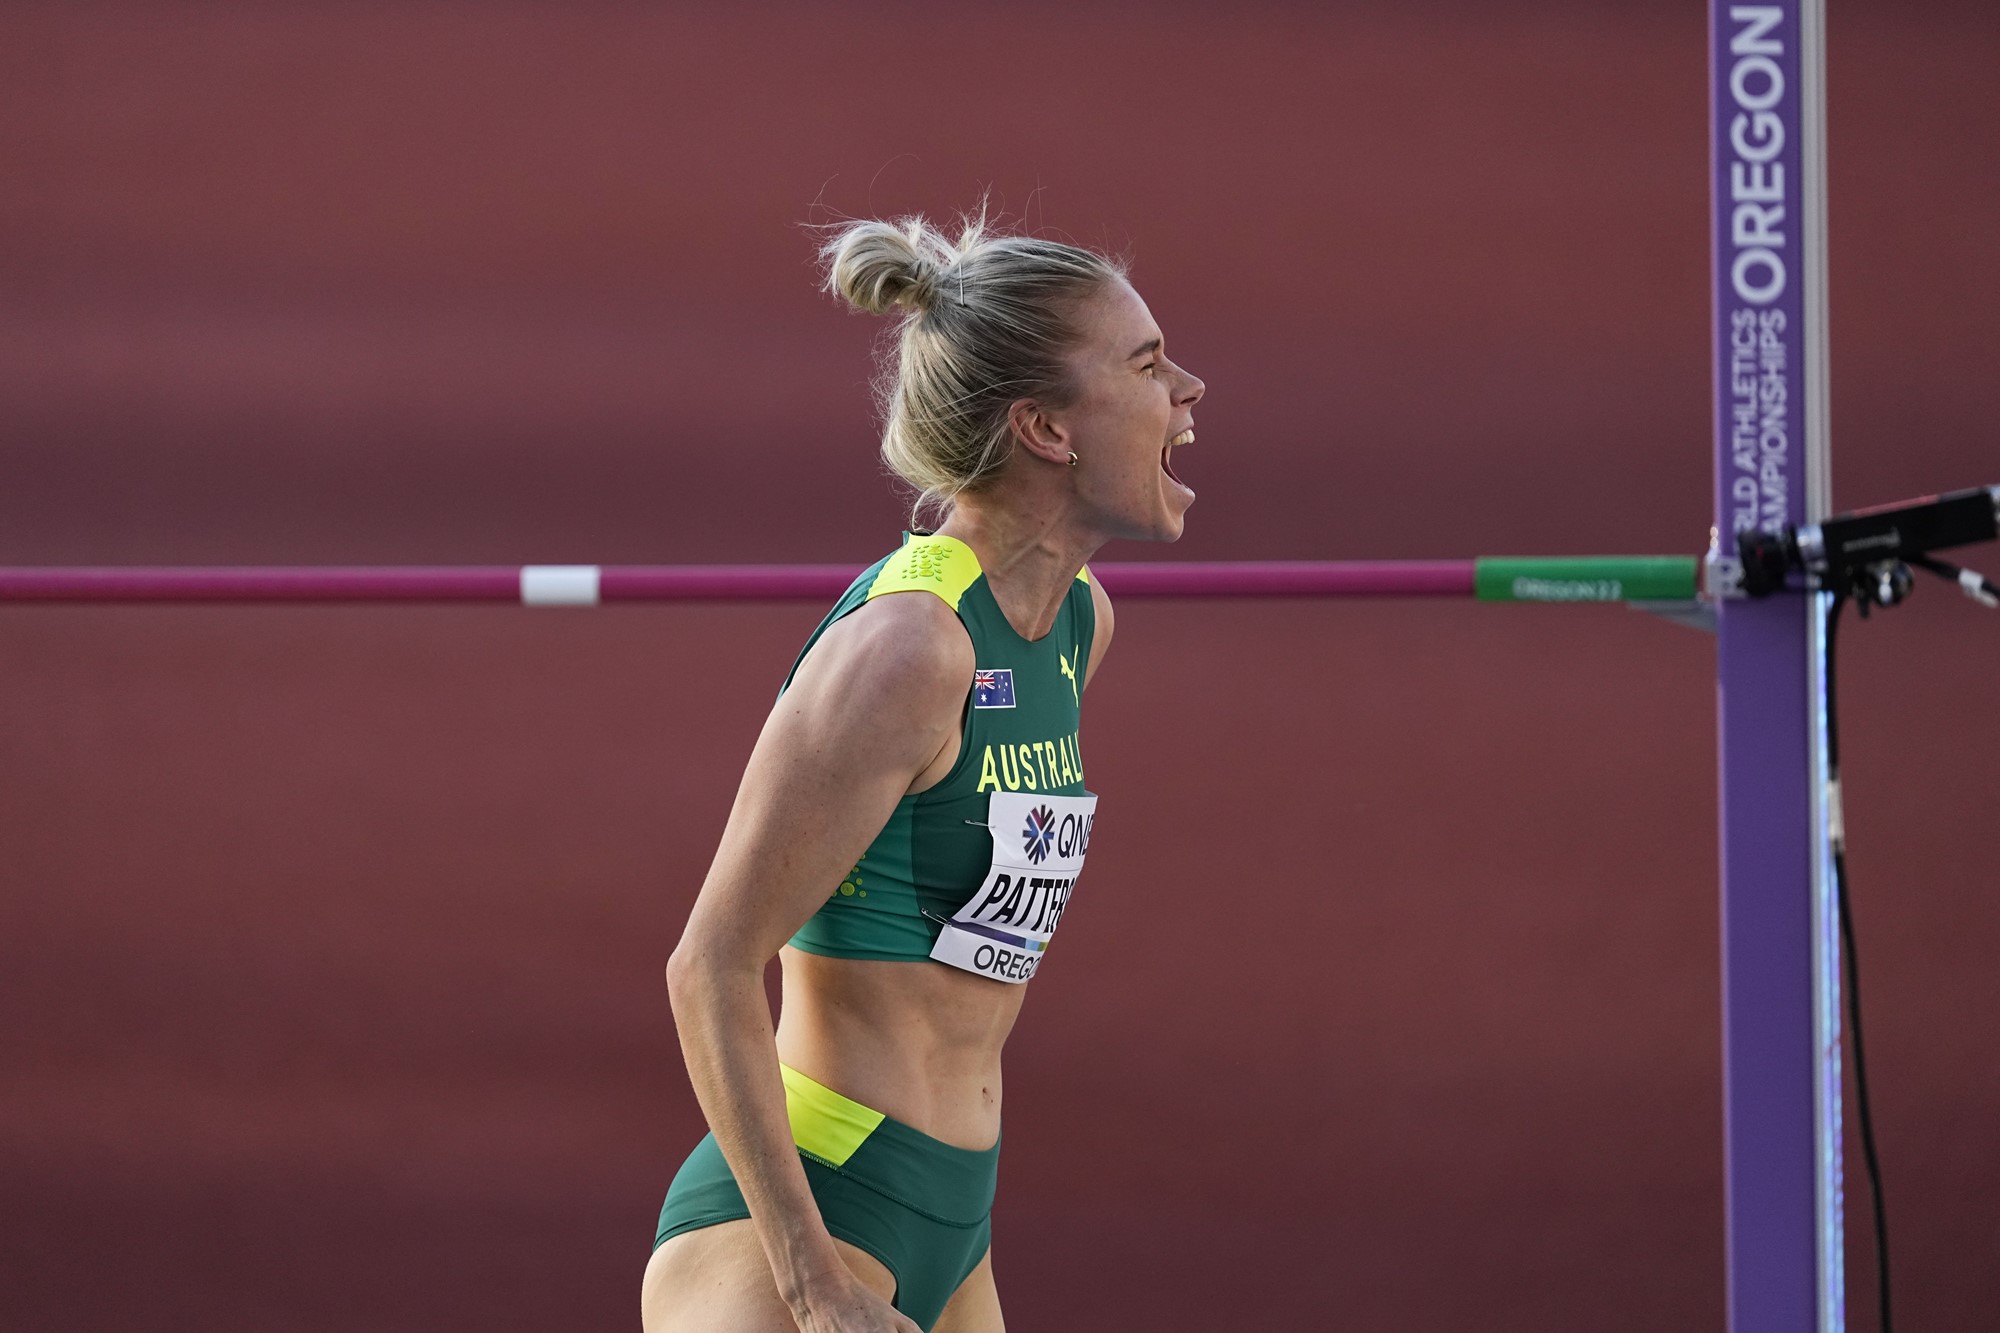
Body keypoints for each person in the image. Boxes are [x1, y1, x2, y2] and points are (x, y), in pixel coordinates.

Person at [640, 210, 1204, 1333]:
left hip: (955, 1217)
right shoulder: (909, 649)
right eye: (1145, 366)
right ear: (1044, 426)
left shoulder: (1073, 623)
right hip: (806, 1215)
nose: (1186, 389)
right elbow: (706, 964)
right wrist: (810, 1285)